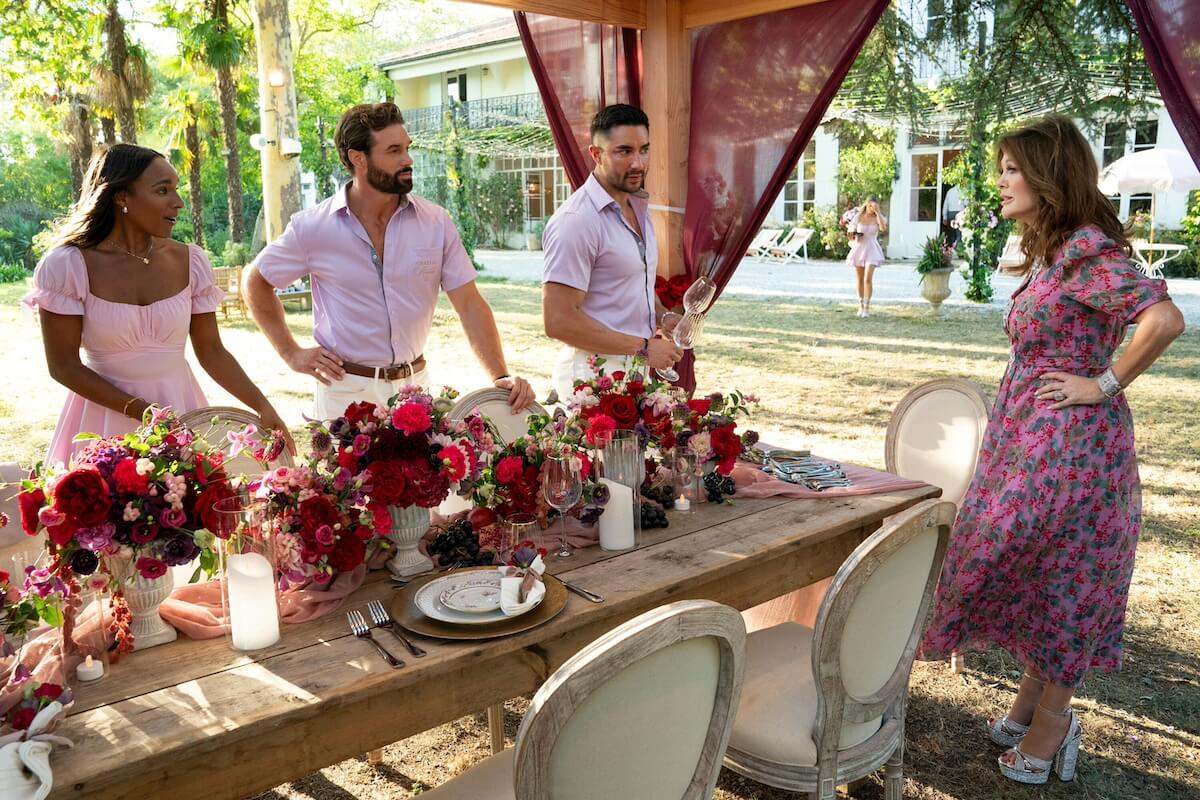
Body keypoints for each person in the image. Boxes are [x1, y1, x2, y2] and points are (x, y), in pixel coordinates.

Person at [918, 116, 1185, 785]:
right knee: (1040, 571)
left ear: (1047, 175)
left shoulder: (1088, 251)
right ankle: (1030, 703)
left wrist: (1103, 383)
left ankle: (1054, 726)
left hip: (1071, 452)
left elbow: (1164, 318)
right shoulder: (1059, 249)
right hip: (1031, 443)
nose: (1000, 180)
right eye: (1001, 168)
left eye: (1012, 169)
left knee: (1061, 578)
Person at [243, 102, 534, 419]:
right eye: (393, 151)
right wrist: (291, 353)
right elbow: (256, 280)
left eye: (407, 148)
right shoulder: (313, 228)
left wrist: (499, 374)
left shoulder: (436, 223)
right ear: (359, 159)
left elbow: (469, 303)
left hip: (415, 393)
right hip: (344, 395)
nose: (408, 160)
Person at [22, 144, 293, 468]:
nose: (177, 202)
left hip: (182, 413)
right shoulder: (67, 266)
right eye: (162, 190)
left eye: (175, 189)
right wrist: (144, 412)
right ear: (122, 197)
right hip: (102, 420)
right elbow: (63, 365)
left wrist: (262, 405)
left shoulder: (191, 261)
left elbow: (211, 350)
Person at [542, 104, 681, 399]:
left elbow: (630, 283)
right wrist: (644, 349)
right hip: (591, 379)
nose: (638, 163)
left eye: (644, 149)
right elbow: (558, 321)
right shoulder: (577, 221)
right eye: (624, 151)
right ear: (596, 154)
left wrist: (661, 316)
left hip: (633, 371)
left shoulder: (637, 207)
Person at [845, 198, 887, 317]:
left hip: (872, 249)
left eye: (874, 207)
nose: (871, 209)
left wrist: (878, 213)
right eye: (870, 206)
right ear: (866, 205)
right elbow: (851, 230)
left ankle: (867, 308)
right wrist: (852, 232)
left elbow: (883, 228)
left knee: (867, 278)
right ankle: (860, 306)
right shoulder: (858, 216)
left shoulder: (878, 217)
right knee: (859, 278)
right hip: (859, 248)